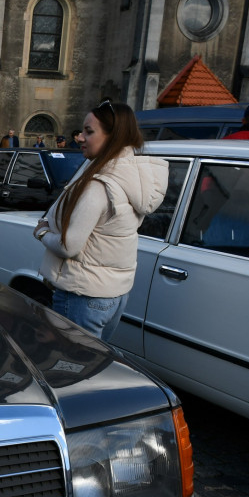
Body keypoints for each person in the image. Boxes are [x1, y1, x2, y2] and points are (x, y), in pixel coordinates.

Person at [32, 99, 168, 341]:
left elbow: (68, 246)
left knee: (71, 367)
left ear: (113, 136)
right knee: (91, 366)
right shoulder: (131, 178)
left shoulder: (99, 185)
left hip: (82, 294)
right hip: (113, 295)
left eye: (89, 131)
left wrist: (42, 232)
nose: (80, 137)